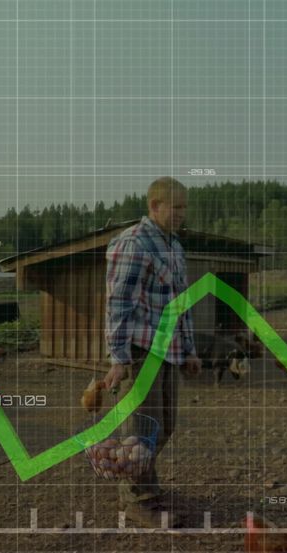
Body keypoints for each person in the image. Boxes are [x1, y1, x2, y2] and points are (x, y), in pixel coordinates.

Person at [103, 176, 202, 528]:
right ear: (154, 206)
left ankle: (130, 475)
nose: (182, 214)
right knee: (142, 430)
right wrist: (118, 356)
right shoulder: (134, 244)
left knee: (165, 427)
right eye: (176, 207)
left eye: (185, 207)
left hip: (169, 352)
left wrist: (189, 349)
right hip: (141, 350)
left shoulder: (174, 246)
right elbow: (118, 304)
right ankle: (139, 500)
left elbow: (181, 304)